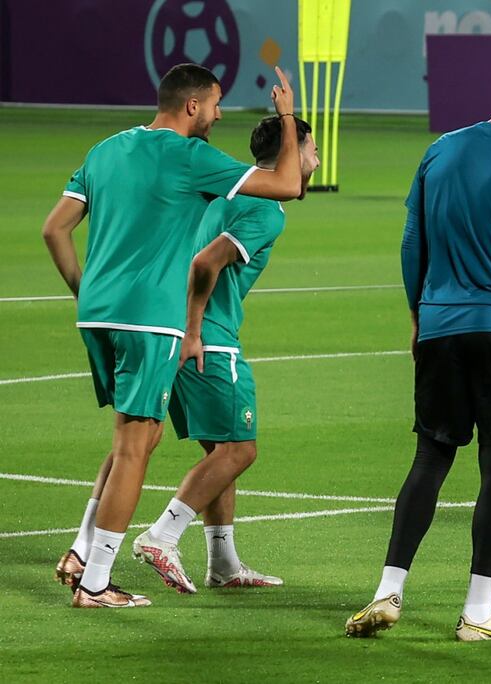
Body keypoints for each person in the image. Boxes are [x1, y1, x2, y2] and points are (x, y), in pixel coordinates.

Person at [43, 63, 304, 608]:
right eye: (216, 104)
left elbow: (55, 229)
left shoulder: (106, 149)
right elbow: (286, 184)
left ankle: (82, 553)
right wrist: (286, 117)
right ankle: (96, 583)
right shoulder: (189, 156)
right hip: (151, 319)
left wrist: (85, 292)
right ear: (192, 106)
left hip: (98, 314)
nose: (219, 114)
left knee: (137, 438)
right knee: (135, 446)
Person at [344, 42, 491, 641]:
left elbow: (411, 244)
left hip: (441, 326)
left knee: (430, 457)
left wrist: (419, 315)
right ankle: (478, 612)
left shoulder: (439, 151)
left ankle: (388, 591)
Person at [126, 115, 320, 593]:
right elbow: (205, 261)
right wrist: (195, 332)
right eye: (311, 151)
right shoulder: (266, 210)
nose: (316, 161)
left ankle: (223, 564)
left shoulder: (224, 196)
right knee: (239, 450)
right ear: (291, 154)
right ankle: (161, 535)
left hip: (175, 332)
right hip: (208, 338)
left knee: (220, 449)